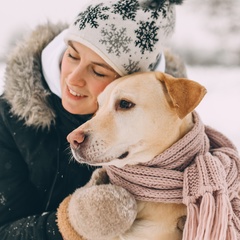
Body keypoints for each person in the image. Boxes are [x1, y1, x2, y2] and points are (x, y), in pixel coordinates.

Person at [0, 0, 186, 239]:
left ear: (129, 82)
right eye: (72, 56)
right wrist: (72, 222)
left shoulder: (163, 125)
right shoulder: (10, 119)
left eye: (98, 71)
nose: (73, 79)